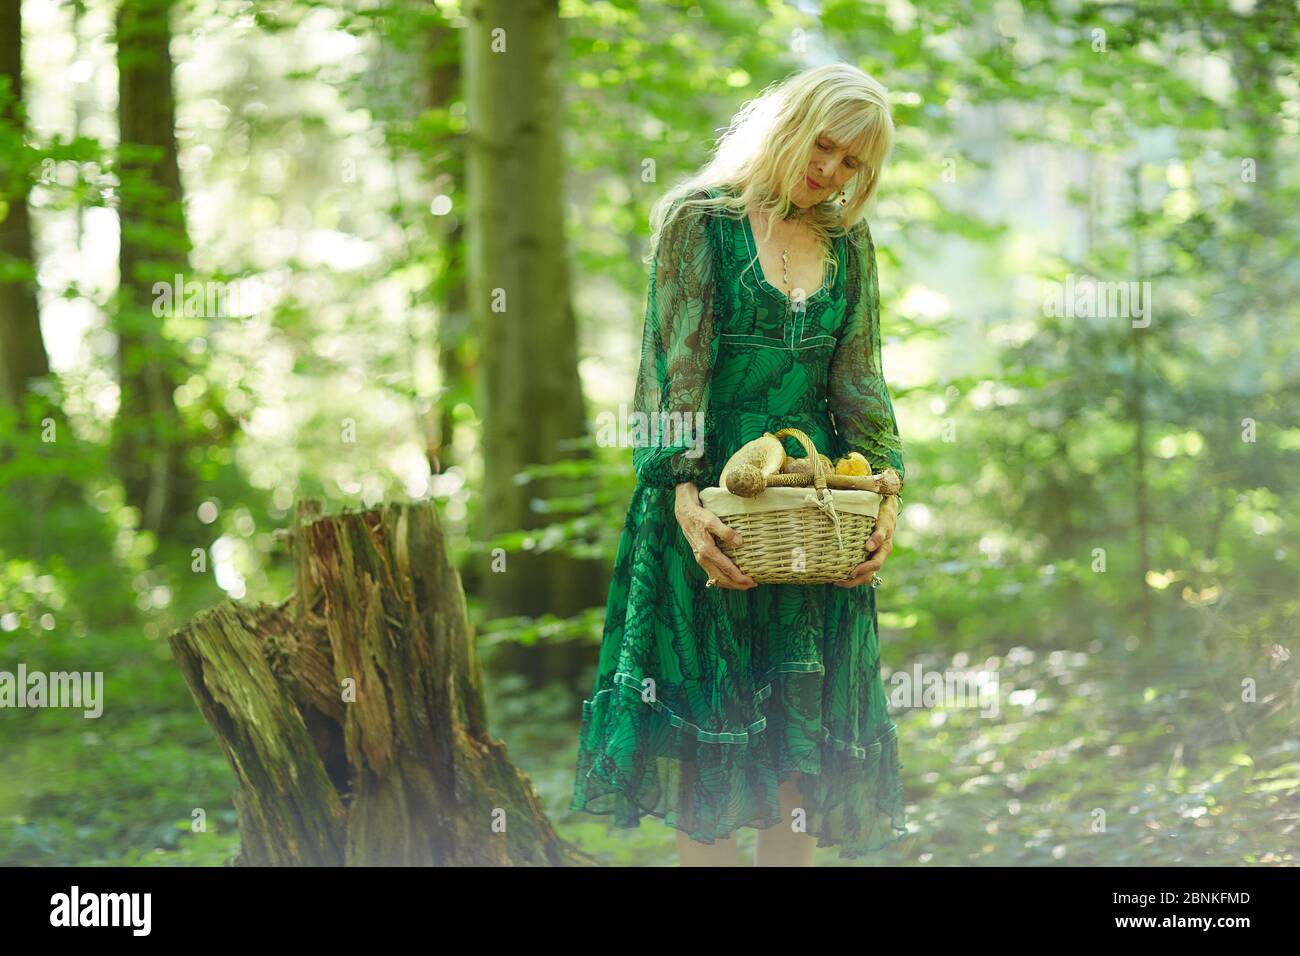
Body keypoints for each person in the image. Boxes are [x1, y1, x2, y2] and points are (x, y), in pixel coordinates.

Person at [569, 63, 908, 866]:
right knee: (713, 771)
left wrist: (887, 495)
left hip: (813, 509)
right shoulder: (701, 223)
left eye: (853, 162)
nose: (832, 171)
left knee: (800, 758)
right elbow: (670, 379)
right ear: (791, 124)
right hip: (711, 507)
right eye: (825, 146)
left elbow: (859, 382)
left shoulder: (849, 245)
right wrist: (687, 503)